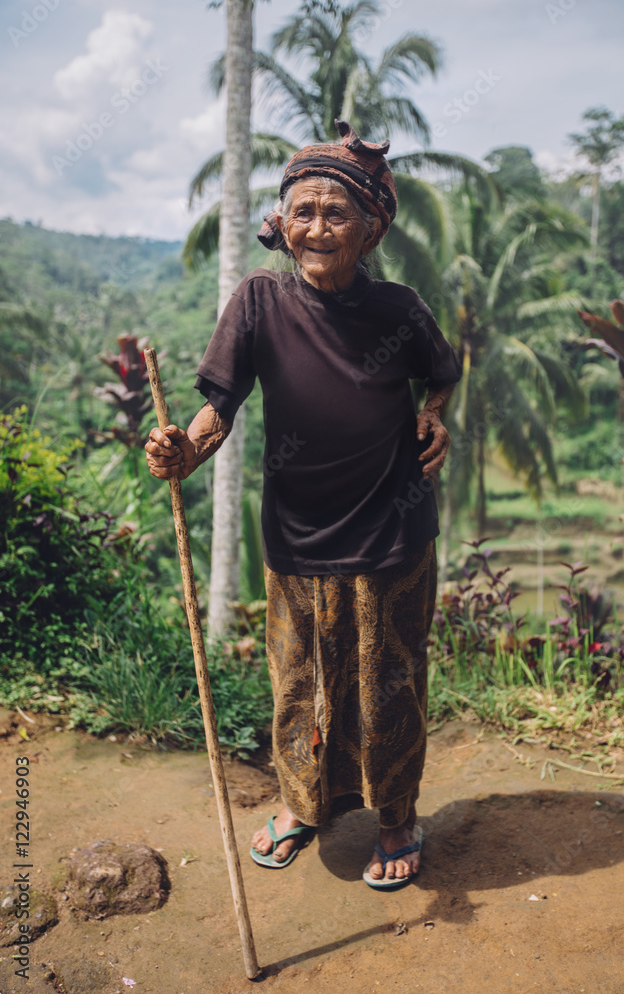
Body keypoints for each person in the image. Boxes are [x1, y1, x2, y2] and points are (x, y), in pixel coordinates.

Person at [145, 120, 461, 889]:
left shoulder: (397, 309)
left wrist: (434, 411)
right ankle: (300, 804)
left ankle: (395, 816)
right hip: (296, 534)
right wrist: (186, 452)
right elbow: (219, 406)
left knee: (387, 682)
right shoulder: (257, 302)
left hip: (391, 530)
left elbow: (440, 371)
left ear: (370, 228)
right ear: (281, 225)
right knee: (298, 684)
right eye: (303, 211)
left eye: (336, 213)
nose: (317, 227)